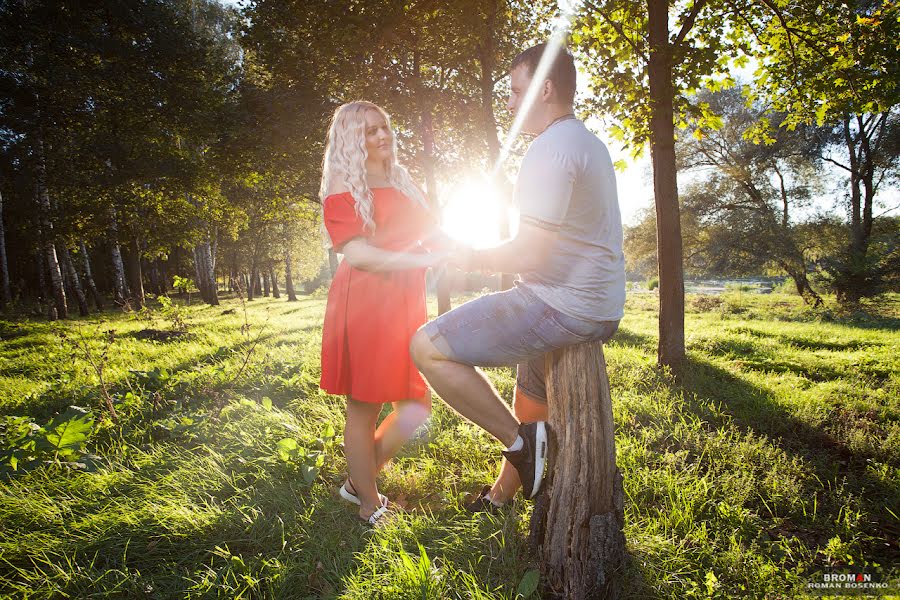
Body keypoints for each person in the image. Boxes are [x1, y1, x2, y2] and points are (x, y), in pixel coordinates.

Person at [410, 43, 625, 511]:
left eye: (514, 91)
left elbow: (529, 250)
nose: (507, 103)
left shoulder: (550, 149)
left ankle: (521, 445)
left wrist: (461, 253)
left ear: (545, 89)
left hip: (562, 303)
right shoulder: (586, 142)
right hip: (596, 304)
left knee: (424, 347)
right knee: (530, 391)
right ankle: (502, 497)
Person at [319, 101, 450, 526]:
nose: (381, 136)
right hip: (367, 302)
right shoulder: (343, 181)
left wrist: (466, 250)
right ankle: (368, 504)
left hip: (405, 300)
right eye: (370, 131)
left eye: (385, 128)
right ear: (351, 139)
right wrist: (416, 263)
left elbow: (432, 232)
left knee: (416, 403)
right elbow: (356, 252)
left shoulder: (401, 178)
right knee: (365, 404)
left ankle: (358, 480)